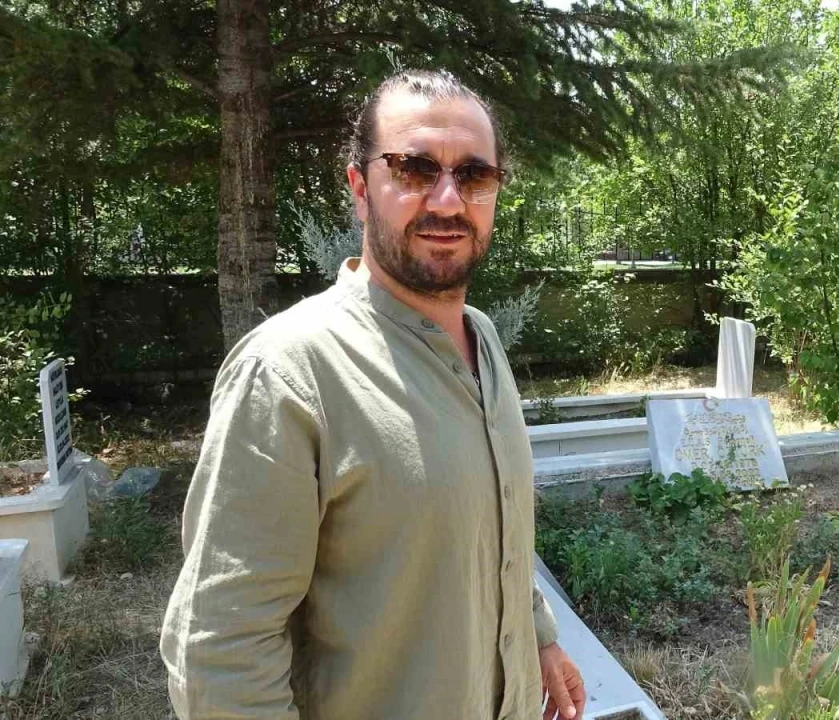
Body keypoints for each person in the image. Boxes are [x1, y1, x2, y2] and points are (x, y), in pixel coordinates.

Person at [160, 69, 586, 720]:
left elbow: (497, 532)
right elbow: (221, 652)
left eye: (474, 175)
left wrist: (539, 639)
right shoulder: (289, 373)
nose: (448, 200)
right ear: (360, 189)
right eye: (415, 168)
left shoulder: (483, 339)